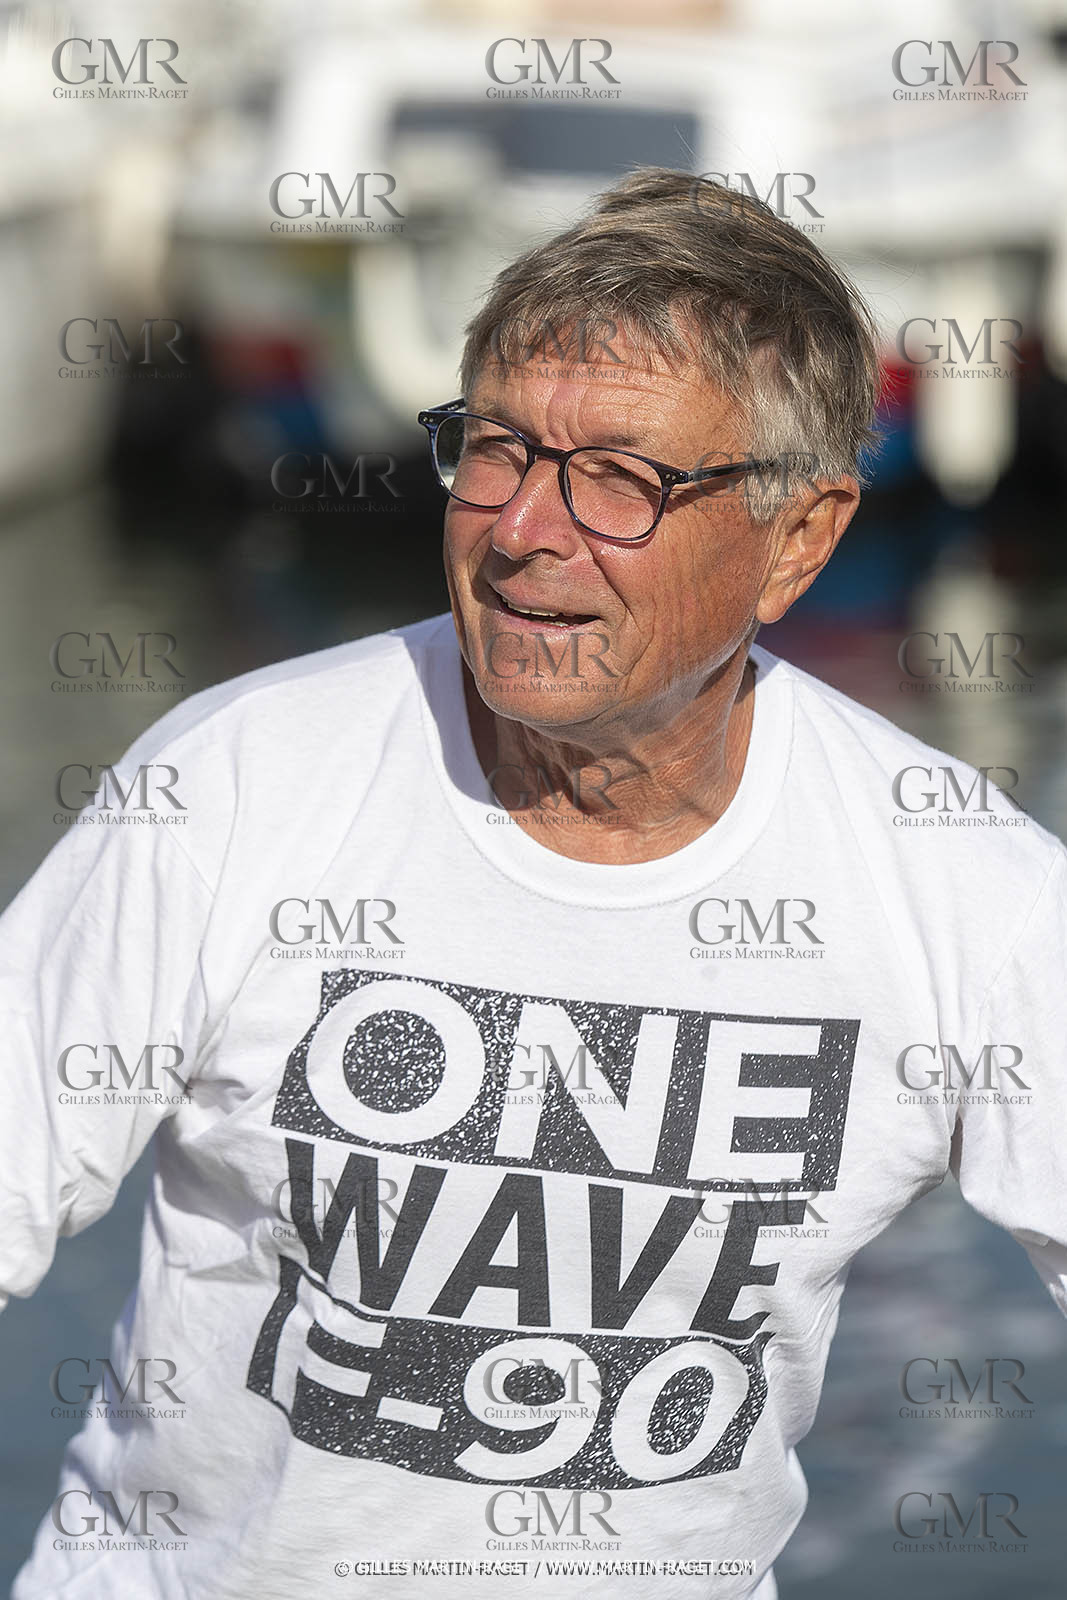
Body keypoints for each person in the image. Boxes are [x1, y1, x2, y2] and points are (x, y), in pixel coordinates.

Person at [3, 169, 1064, 1599]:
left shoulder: (958, 886)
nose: (521, 530)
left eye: (621, 478)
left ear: (798, 539)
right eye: (496, 449)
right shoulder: (237, 785)